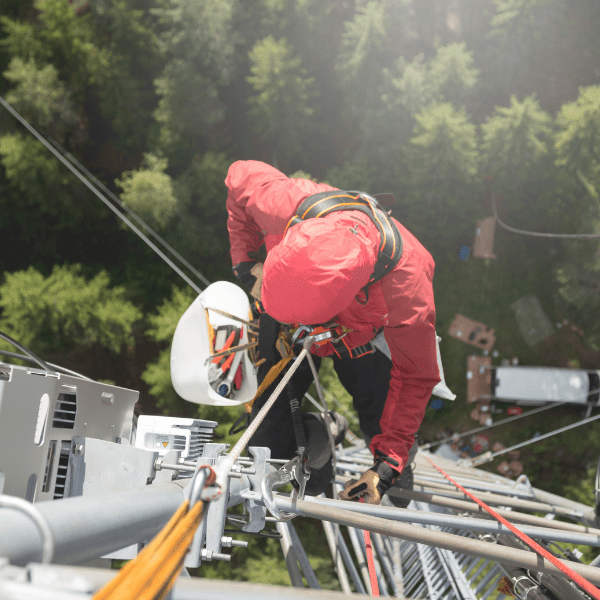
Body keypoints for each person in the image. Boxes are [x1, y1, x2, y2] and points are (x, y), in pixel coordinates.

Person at [226, 160, 440, 505]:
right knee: (268, 446)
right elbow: (238, 178)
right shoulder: (287, 203)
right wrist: (247, 265)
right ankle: (320, 447)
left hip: (361, 340)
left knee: (379, 427)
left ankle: (394, 463)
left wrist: (387, 465)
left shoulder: (407, 293)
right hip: (282, 307)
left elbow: (415, 376)